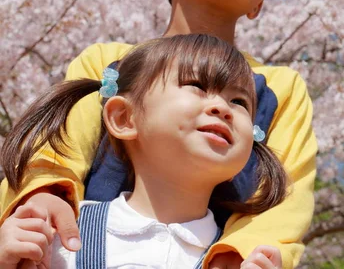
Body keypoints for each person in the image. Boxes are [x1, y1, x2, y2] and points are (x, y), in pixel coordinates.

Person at [0, 0, 317, 269]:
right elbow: (57, 143)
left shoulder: (279, 87)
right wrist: (46, 193)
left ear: (259, 3)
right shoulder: (110, 61)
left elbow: (285, 196)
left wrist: (243, 253)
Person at [0, 35, 287, 268]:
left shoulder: (233, 259)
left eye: (239, 101)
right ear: (124, 118)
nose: (222, 108)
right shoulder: (59, 237)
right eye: (196, 86)